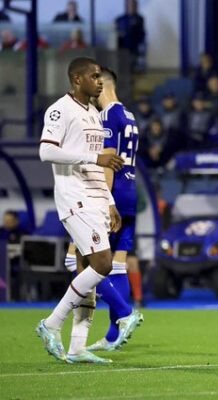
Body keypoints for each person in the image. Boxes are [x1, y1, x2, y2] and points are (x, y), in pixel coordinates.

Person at [35, 57, 136, 363]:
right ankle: (51, 324)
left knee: (85, 270)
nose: (99, 81)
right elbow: (46, 151)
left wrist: (109, 201)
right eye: (94, 76)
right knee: (103, 263)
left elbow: (98, 162)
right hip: (73, 197)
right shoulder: (59, 109)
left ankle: (78, 346)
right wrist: (95, 160)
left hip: (95, 199)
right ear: (77, 79)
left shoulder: (94, 113)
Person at [85, 67, 144, 351]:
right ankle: (112, 336)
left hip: (114, 194)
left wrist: (104, 201)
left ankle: (125, 312)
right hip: (131, 192)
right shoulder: (130, 115)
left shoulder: (106, 116)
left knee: (88, 263)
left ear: (103, 85)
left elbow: (108, 161)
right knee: (118, 264)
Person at [115, 0, 146, 69]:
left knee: (132, 64)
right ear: (126, 6)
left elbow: (141, 33)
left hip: (134, 47)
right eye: (130, 5)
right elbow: (117, 32)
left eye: (133, 5)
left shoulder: (139, 19)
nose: (131, 7)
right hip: (122, 47)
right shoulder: (120, 19)